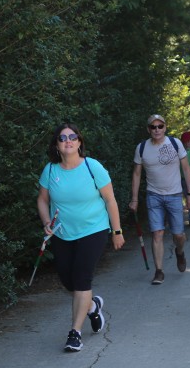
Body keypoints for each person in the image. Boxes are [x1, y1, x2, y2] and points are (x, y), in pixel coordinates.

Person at [37, 123, 125, 352]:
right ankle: (93, 306)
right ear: (56, 144)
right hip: (62, 233)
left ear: (79, 141)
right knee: (69, 281)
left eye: (73, 136)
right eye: (62, 137)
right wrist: (47, 221)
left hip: (93, 230)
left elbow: (110, 199)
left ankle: (74, 333)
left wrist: (117, 231)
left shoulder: (92, 166)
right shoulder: (50, 170)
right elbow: (42, 200)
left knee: (82, 279)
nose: (68, 141)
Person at [129, 114, 190, 285]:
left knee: (179, 235)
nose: (156, 130)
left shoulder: (175, 144)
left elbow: (186, 169)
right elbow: (136, 174)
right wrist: (134, 199)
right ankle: (159, 271)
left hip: (174, 195)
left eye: (160, 126)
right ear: (148, 129)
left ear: (165, 127)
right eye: (153, 127)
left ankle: (180, 252)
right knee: (157, 233)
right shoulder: (142, 148)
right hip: (154, 195)